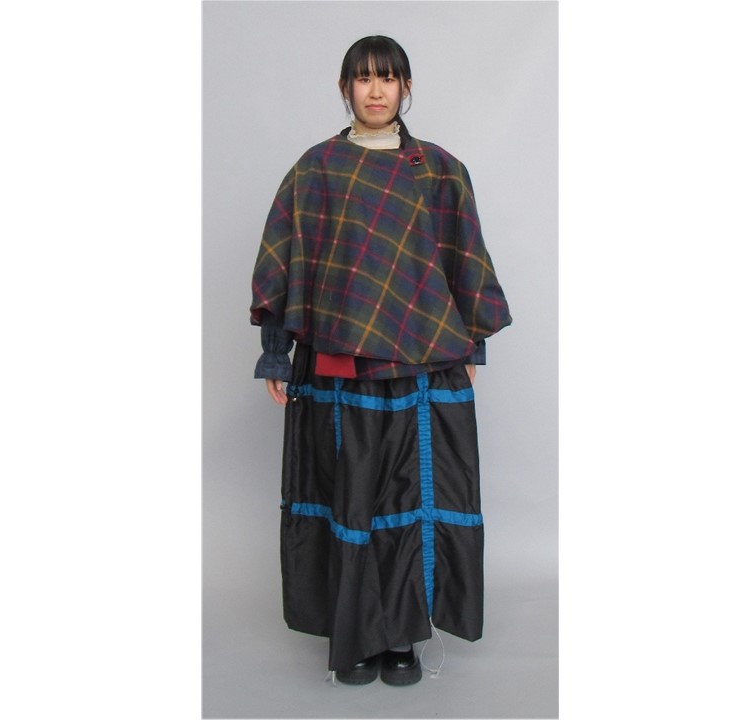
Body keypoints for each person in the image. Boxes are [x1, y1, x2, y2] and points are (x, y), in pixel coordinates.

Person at [249, 35, 512, 687]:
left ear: (406, 87)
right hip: (342, 367)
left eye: (388, 78)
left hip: (424, 363)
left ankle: (401, 638)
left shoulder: (440, 170)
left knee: (412, 497)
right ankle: (356, 638)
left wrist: (472, 344)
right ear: (345, 89)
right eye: (363, 78)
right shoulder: (316, 170)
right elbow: (285, 256)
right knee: (352, 498)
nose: (375, 90)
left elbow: (463, 255)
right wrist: (277, 354)